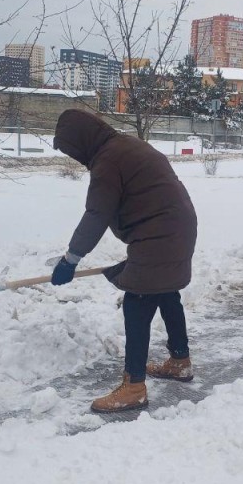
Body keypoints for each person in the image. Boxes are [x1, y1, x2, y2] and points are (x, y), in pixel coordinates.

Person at [50, 109, 198, 413]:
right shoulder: (127, 146)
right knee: (166, 292)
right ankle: (179, 361)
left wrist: (71, 259)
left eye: (72, 151)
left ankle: (133, 388)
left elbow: (97, 214)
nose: (76, 158)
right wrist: (132, 266)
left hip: (160, 234)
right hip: (179, 228)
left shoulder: (108, 161)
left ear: (81, 142)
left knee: (137, 302)